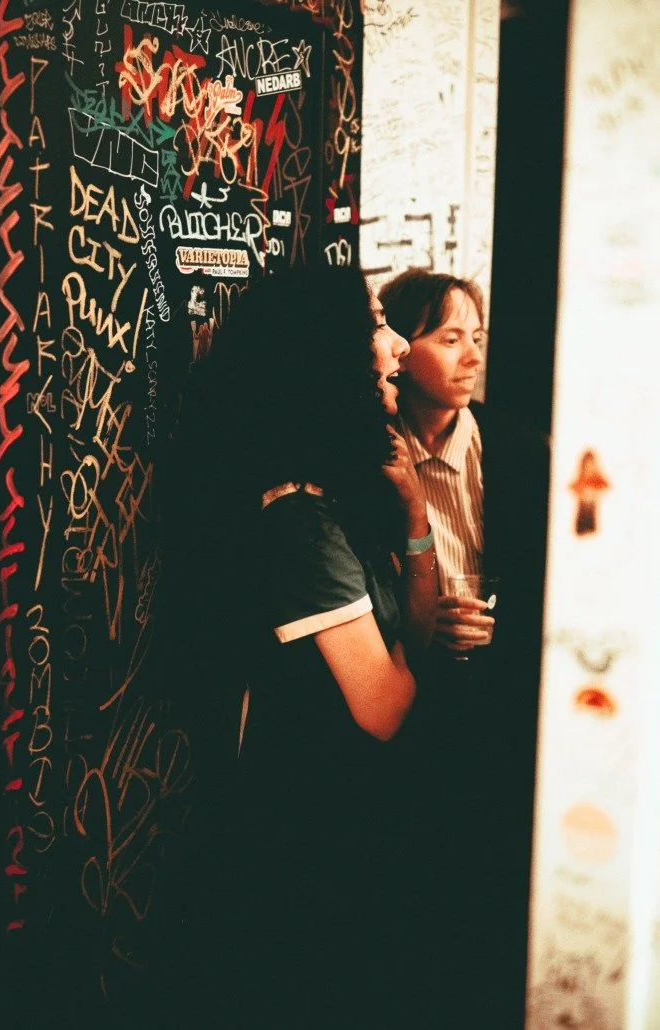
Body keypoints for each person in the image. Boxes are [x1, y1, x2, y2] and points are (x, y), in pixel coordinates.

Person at [164, 264, 439, 1029]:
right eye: (377, 327)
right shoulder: (298, 524)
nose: (397, 346)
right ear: (328, 359)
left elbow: (413, 635)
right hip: (307, 845)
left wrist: (414, 508)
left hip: (338, 832)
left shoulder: (336, 497)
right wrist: (415, 668)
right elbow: (383, 707)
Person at [378, 268, 550, 1028]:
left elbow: (561, 585)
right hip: (405, 698)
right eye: (448, 339)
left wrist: (500, 626)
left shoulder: (519, 451)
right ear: (399, 350)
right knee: (411, 888)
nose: (470, 355)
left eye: (475, 338)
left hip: (504, 702)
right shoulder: (369, 458)